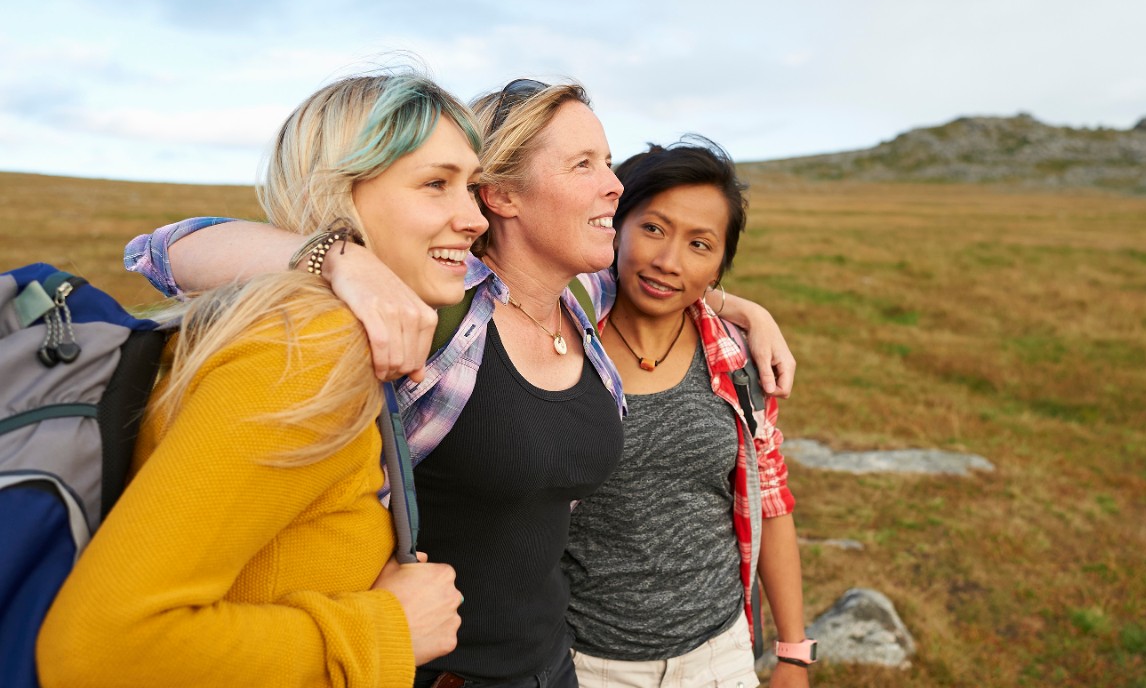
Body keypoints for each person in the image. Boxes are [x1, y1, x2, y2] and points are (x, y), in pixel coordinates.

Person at [123, 78, 795, 687]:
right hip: (429, 670)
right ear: (501, 195)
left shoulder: (584, 296)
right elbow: (162, 251)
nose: (616, 183)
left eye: (606, 159)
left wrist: (743, 311)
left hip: (548, 663)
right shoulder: (433, 310)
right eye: (584, 164)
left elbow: (665, 279)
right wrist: (341, 260)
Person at [36, 70, 475, 687]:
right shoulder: (307, 347)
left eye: (472, 187)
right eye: (436, 184)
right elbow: (102, 648)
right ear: (342, 190)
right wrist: (387, 630)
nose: (474, 217)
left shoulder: (299, 323)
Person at [566, 138, 811, 687]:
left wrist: (793, 654)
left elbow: (771, 500)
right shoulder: (556, 339)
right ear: (616, 223)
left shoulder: (737, 357)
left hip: (720, 657)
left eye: (700, 244)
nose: (668, 261)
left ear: (721, 263)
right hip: (584, 664)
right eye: (653, 228)